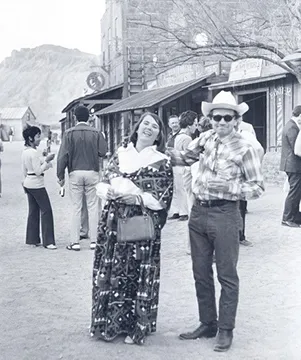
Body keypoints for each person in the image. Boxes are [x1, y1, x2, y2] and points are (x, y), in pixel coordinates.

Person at [167, 91, 264, 352]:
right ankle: (208, 322)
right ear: (209, 119)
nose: (220, 122)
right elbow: (184, 158)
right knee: (200, 271)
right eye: (215, 117)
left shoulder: (246, 147)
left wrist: (231, 188)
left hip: (225, 214)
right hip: (198, 212)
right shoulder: (206, 138)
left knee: (227, 274)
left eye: (226, 117)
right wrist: (153, 154)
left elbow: (257, 187)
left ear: (236, 119)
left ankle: (225, 329)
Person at [90, 112, 173, 345]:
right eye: (145, 123)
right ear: (137, 128)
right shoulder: (120, 153)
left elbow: (162, 199)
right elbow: (103, 182)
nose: (148, 128)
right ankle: (108, 323)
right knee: (111, 272)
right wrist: (107, 192)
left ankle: (135, 327)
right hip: (113, 222)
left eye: (154, 126)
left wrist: (136, 199)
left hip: (140, 224)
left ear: (159, 135)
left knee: (135, 273)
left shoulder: (161, 161)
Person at [57, 105, 107, 251]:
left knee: (76, 208)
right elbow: (102, 152)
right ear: (89, 117)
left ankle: (75, 242)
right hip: (92, 172)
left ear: (75, 117)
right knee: (93, 207)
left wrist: (60, 176)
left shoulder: (68, 133)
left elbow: (62, 157)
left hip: (75, 173)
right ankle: (94, 241)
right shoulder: (96, 132)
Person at [21, 125, 57, 249]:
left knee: (33, 211)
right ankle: (49, 241)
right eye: (37, 136)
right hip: (37, 184)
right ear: (31, 138)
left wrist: (44, 160)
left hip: (28, 183)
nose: (39, 139)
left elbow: (25, 170)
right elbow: (38, 171)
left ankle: (33, 239)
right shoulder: (34, 153)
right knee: (46, 210)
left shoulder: (25, 152)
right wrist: (47, 161)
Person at [280, 105, 301, 227]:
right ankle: (287, 218)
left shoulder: (290, 125)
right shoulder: (292, 127)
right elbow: (296, 149)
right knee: (294, 192)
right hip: (293, 165)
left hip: (292, 165)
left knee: (296, 192)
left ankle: (294, 217)